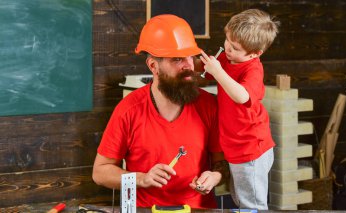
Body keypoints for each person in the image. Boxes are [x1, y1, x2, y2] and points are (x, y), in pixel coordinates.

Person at [92, 14, 227, 209]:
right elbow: (100, 172)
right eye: (177, 59)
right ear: (153, 66)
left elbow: (222, 165)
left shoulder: (208, 105)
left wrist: (215, 176)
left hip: (198, 210)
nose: (189, 65)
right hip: (144, 210)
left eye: (190, 56)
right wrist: (142, 179)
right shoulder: (128, 110)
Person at [199, 9, 280, 210]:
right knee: (239, 198)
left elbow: (242, 96)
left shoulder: (253, 69)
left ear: (255, 53)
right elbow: (207, 71)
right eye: (227, 40)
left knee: (251, 205)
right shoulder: (230, 58)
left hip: (250, 149)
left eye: (234, 47)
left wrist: (218, 71)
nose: (227, 48)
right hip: (235, 146)